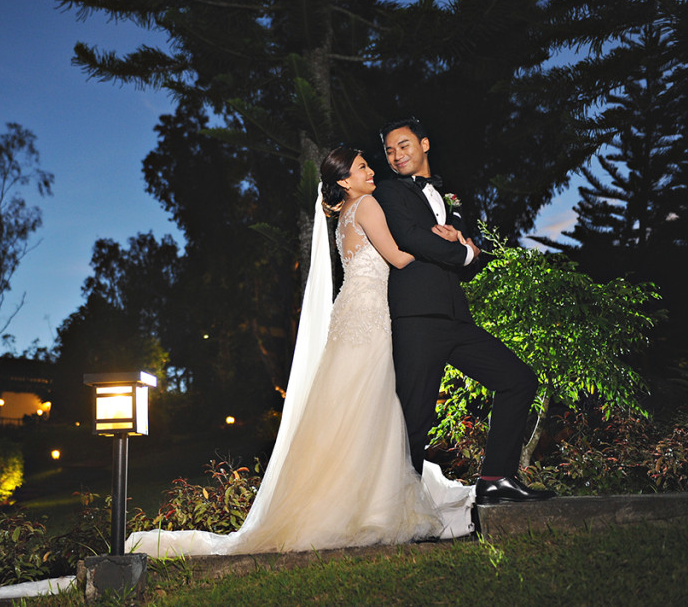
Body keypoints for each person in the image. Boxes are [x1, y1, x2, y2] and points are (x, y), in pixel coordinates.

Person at [125, 146, 475, 558]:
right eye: (364, 166)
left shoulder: (344, 214)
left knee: (347, 410)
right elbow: (398, 258)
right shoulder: (367, 206)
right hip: (370, 317)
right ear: (345, 180)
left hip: (349, 316)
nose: (371, 171)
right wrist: (439, 241)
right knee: (371, 407)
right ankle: (369, 507)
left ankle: (345, 501)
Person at [373, 117, 556, 504]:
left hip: (457, 317)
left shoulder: (451, 196)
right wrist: (462, 250)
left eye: (403, 145)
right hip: (417, 318)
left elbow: (472, 257)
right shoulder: (390, 193)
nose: (396, 156)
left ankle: (495, 479)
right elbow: (412, 239)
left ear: (424, 144)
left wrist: (464, 249)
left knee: (518, 379)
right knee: (414, 418)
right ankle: (398, 506)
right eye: (389, 150)